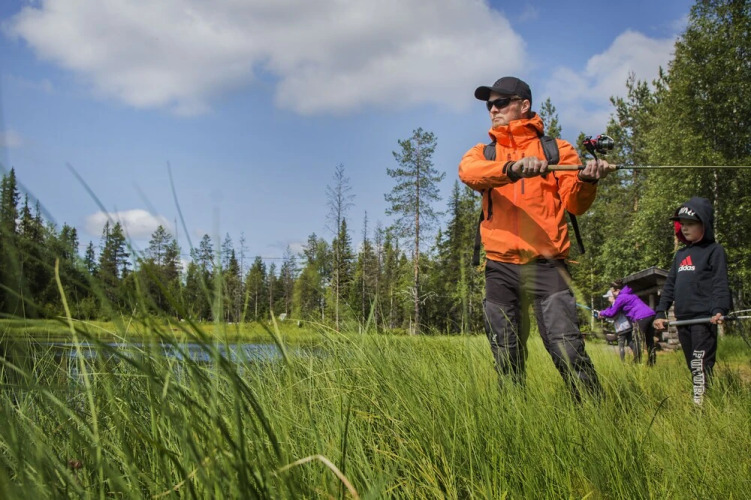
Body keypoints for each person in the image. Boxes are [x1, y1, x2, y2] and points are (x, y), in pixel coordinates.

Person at [458, 76, 612, 399]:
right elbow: (468, 173)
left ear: (524, 105)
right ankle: (513, 419)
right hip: (500, 267)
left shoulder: (558, 150)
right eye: (489, 105)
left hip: (548, 266)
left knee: (567, 348)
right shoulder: (484, 152)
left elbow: (576, 205)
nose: (493, 110)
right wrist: (512, 168)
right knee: (505, 354)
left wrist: (587, 181)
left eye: (501, 102)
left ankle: (596, 413)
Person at [653, 197, 731, 405]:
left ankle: (701, 407)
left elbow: (720, 283)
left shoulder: (714, 251)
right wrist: (660, 312)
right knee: (692, 363)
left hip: (703, 319)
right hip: (683, 319)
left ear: (704, 224)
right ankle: (702, 399)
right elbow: (669, 286)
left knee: (700, 363)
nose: (685, 228)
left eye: (690, 224)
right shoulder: (681, 255)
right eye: (682, 224)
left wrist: (719, 308)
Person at [597, 279, 658, 365]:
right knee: (649, 340)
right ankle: (652, 362)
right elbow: (613, 309)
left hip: (641, 317)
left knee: (637, 340)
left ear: (617, 290)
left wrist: (601, 313)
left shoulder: (621, 298)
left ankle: (637, 362)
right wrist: (604, 312)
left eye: (613, 292)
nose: (612, 294)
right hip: (650, 315)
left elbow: (612, 313)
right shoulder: (629, 294)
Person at [601, 289, 636, 362]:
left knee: (621, 345)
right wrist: (604, 316)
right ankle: (638, 359)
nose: (608, 299)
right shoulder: (618, 303)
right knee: (630, 343)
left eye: (608, 297)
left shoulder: (615, 304)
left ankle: (623, 363)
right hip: (628, 326)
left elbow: (613, 316)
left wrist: (603, 315)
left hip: (621, 328)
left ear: (612, 297)